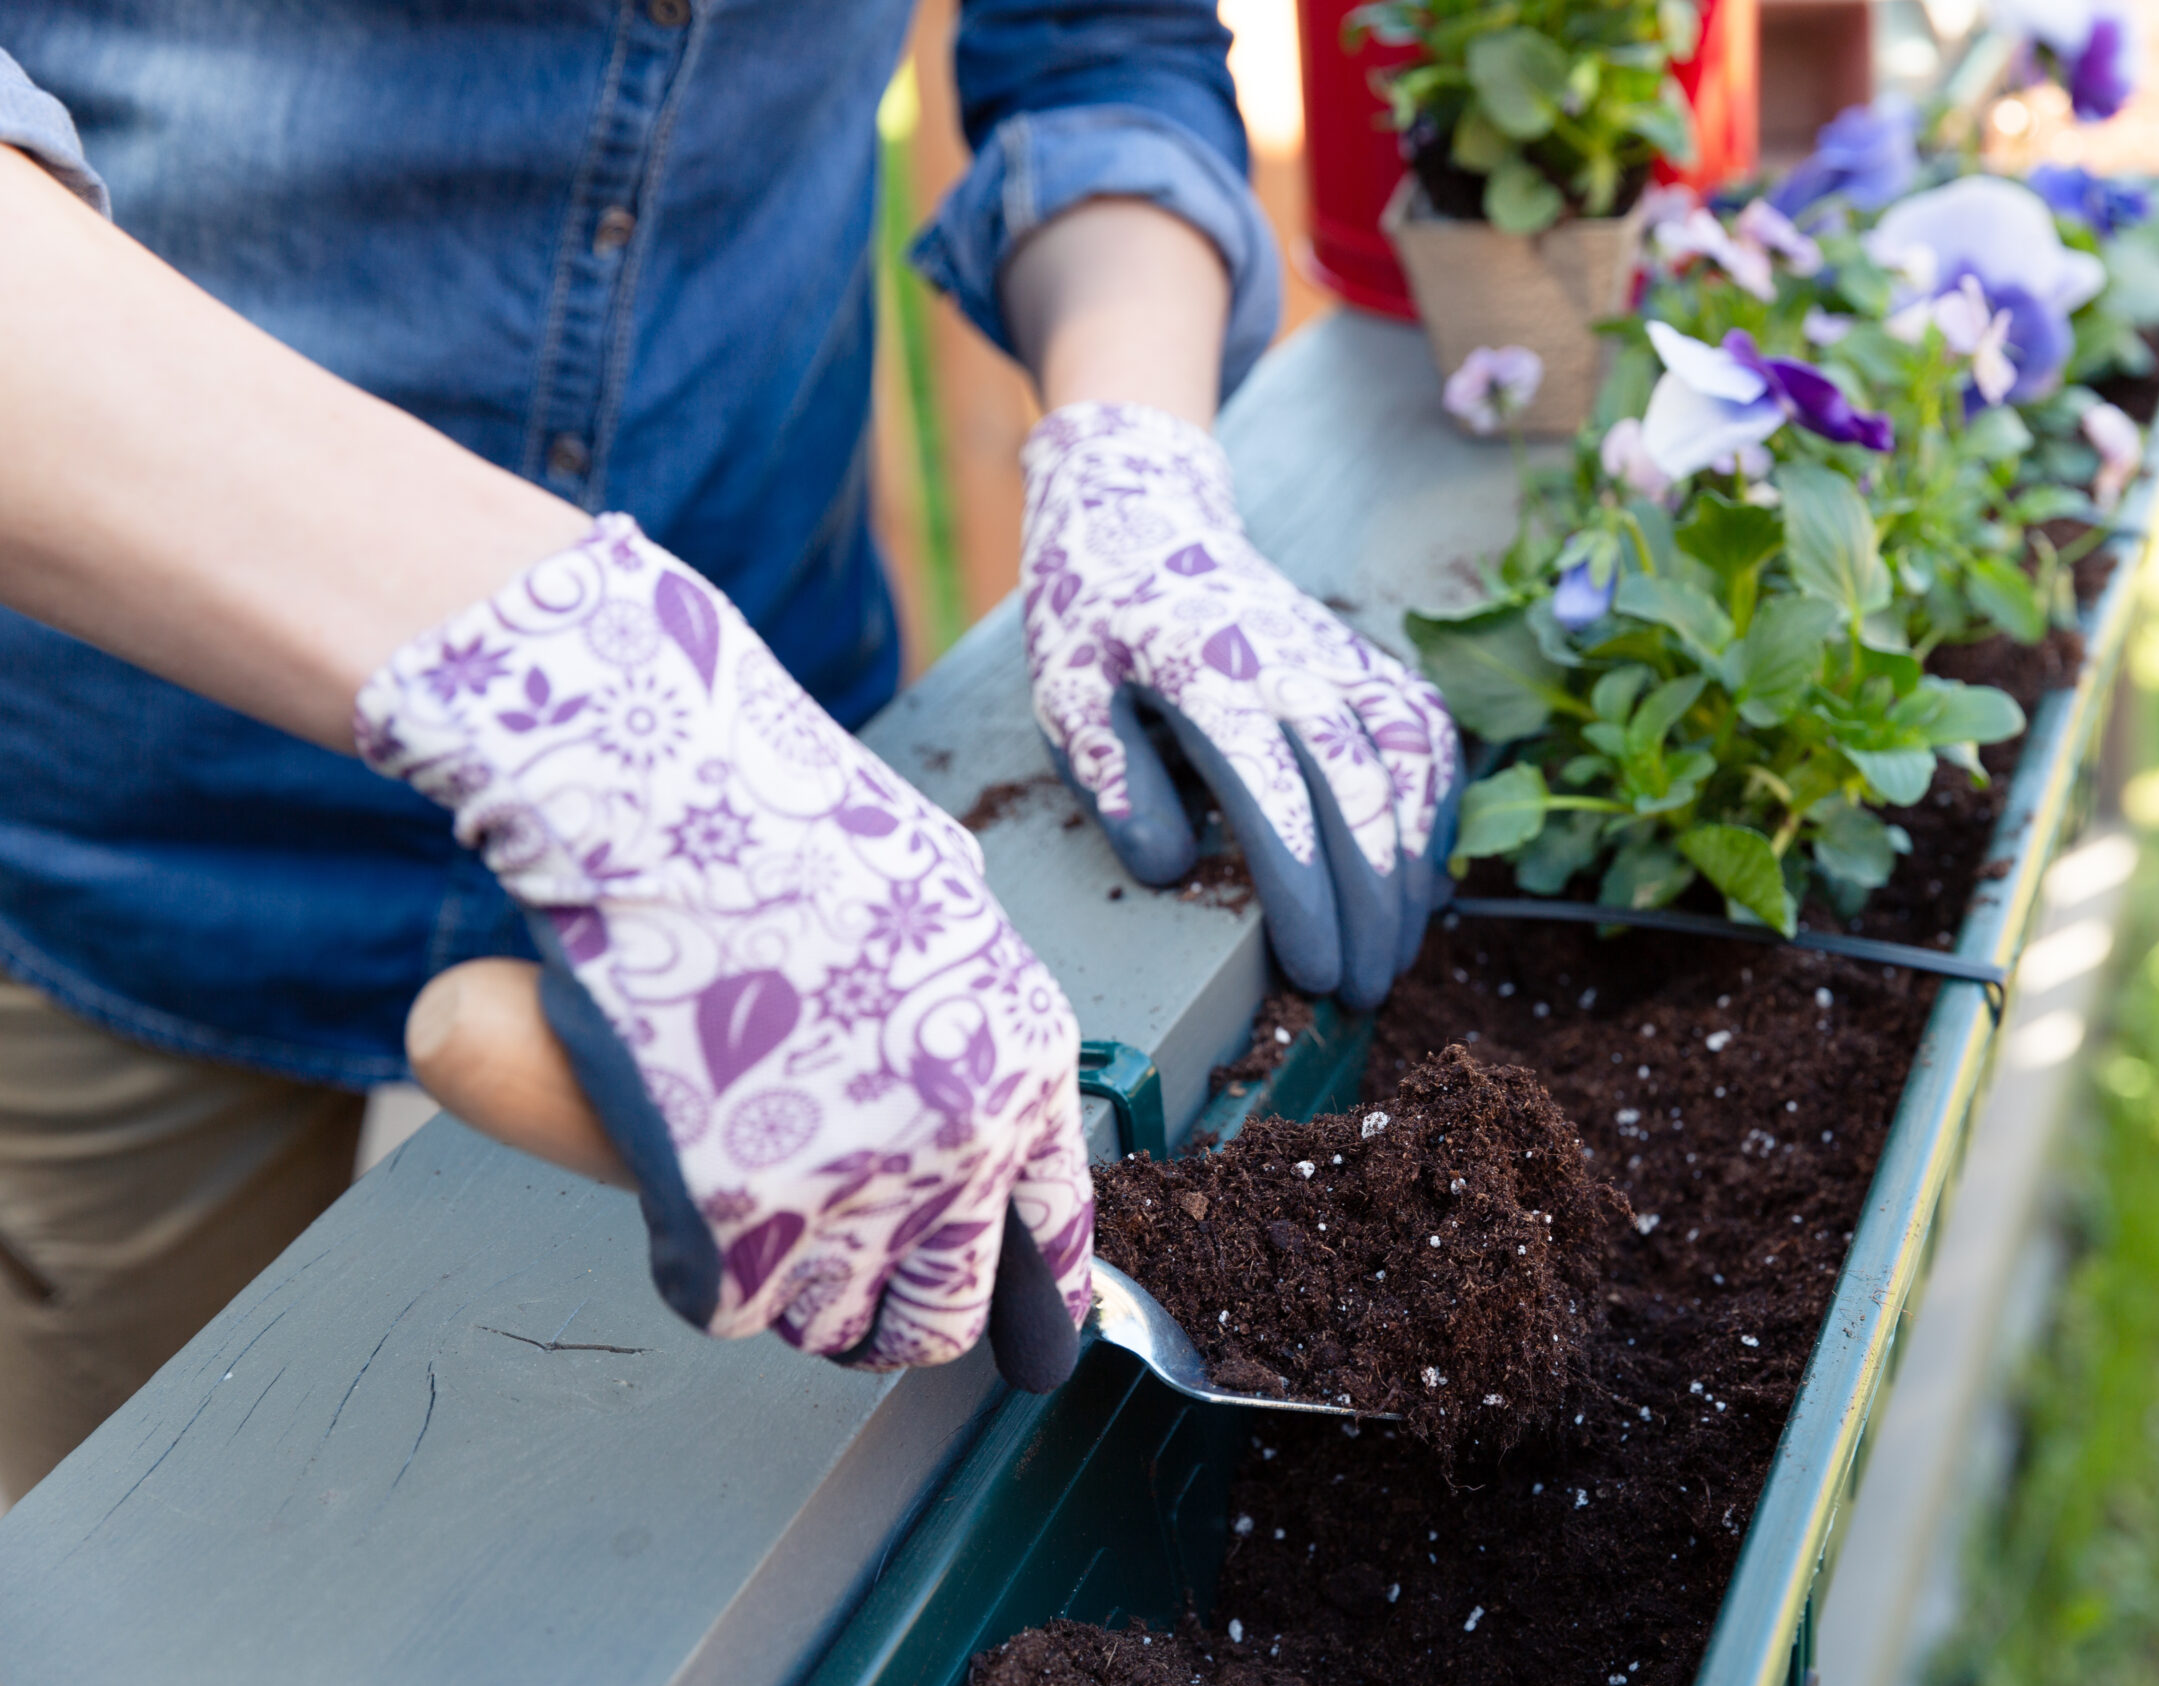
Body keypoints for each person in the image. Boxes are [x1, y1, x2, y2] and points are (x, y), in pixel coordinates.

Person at [0, 7, 1458, 1503]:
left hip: (770, 819)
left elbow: (1102, 45)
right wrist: (575, 665)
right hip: (145, 776)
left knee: (629, 1509)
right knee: (159, 1514)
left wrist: (1134, 454)